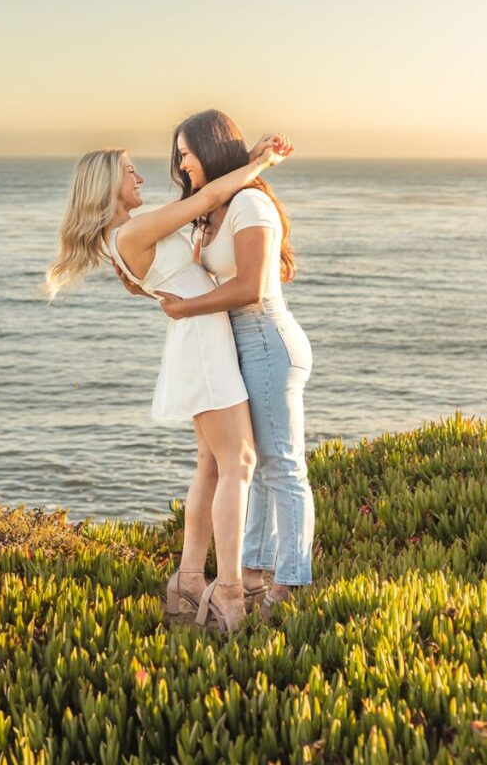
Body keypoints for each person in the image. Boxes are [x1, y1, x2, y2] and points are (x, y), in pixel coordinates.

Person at [43, 136, 292, 633]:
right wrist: (261, 163)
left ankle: (189, 581)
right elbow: (202, 201)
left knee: (212, 467)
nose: (138, 177)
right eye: (129, 171)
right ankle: (227, 589)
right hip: (203, 347)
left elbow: (201, 204)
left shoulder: (127, 235)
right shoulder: (133, 232)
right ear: (108, 185)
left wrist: (243, 162)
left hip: (198, 340)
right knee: (238, 463)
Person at [156, 110, 314, 620]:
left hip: (266, 338)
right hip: (239, 345)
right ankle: (251, 571)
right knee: (253, 465)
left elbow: (249, 286)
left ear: (209, 148)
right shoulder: (222, 202)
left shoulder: (250, 205)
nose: (181, 165)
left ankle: (290, 582)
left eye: (186, 153)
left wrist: (185, 309)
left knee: (283, 467)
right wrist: (251, 160)